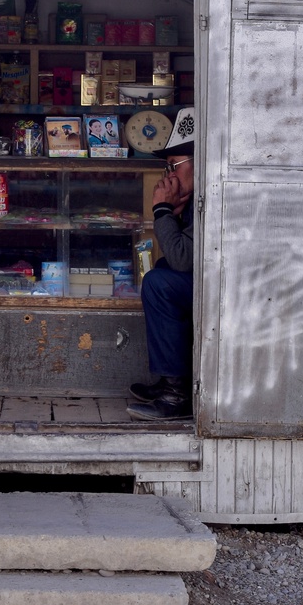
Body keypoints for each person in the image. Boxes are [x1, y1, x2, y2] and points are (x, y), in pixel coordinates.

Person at [127, 127, 195, 421]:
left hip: (235, 288)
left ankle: (176, 397)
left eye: (174, 166)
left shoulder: (213, 197)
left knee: (159, 283)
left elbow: (182, 258)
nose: (169, 175)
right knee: (163, 272)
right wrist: (176, 212)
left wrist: (164, 210)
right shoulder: (195, 199)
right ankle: (173, 380)